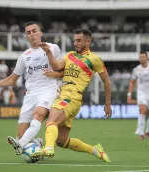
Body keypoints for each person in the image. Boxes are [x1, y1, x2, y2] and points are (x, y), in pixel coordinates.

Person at [0, 21, 63, 155]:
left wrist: (54, 73)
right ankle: (36, 144)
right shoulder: (24, 56)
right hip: (30, 94)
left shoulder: (53, 48)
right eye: (29, 33)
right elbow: (13, 79)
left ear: (41, 33)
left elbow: (62, 71)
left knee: (38, 114)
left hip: (48, 90)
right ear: (26, 36)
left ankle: (20, 144)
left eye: (35, 31)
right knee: (21, 134)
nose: (32, 34)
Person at [33, 29, 112, 162]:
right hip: (66, 96)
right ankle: (95, 150)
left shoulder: (94, 59)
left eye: (79, 40)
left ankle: (47, 148)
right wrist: (48, 52)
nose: (75, 43)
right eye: (75, 40)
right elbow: (57, 66)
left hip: (72, 96)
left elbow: (107, 82)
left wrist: (108, 103)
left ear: (88, 42)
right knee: (61, 140)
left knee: (51, 121)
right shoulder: (69, 55)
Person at [127, 52, 149, 140]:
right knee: (142, 110)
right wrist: (129, 94)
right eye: (140, 57)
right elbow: (132, 82)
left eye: (143, 57)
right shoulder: (136, 70)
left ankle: (148, 131)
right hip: (141, 94)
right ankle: (141, 133)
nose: (142, 58)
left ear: (147, 58)